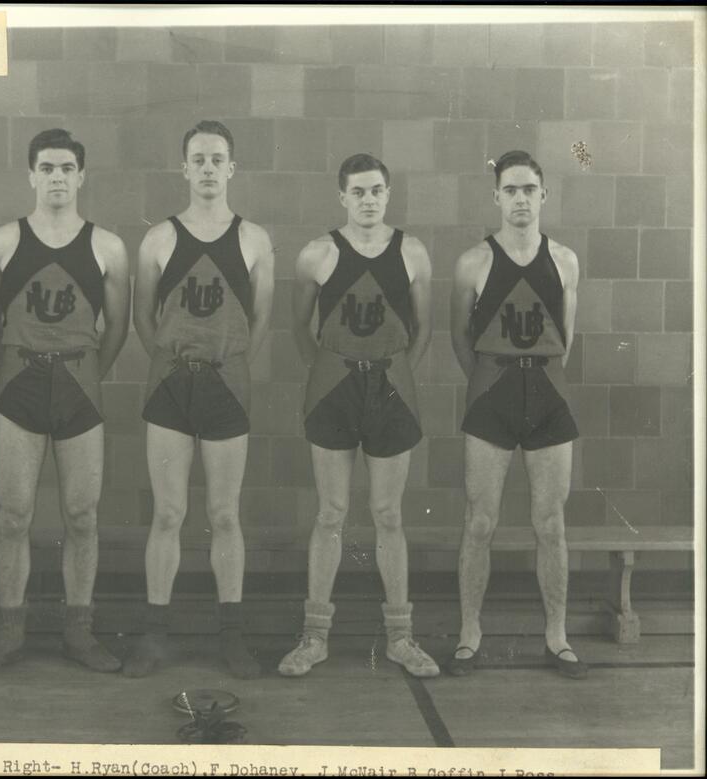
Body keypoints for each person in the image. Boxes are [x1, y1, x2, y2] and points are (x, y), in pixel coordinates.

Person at [0, 129, 130, 676]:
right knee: (14, 515)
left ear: (81, 176)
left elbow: (118, 328)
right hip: (21, 388)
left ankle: (78, 633)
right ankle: (9, 633)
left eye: (67, 168)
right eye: (47, 168)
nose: (57, 177)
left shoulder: (107, 246)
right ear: (31, 175)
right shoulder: (0, 243)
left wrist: (82, 373)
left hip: (81, 387)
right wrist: (19, 367)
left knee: (82, 515)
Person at [278, 153, 438, 678]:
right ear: (342, 197)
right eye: (358, 192)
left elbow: (422, 330)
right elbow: (300, 328)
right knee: (331, 513)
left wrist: (391, 374)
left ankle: (400, 636)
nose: (368, 200)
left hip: (391, 387)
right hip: (334, 387)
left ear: (388, 194)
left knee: (389, 515)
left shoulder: (412, 251)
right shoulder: (318, 253)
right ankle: (315, 635)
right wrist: (332, 370)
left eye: (376, 191)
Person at [124, 120, 274, 679]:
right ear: (183, 168)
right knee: (168, 512)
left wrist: (225, 364)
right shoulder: (158, 238)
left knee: (223, 514)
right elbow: (143, 318)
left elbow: (260, 321)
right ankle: (154, 634)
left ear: (232, 168)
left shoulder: (254, 238)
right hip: (170, 386)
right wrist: (175, 361)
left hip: (227, 385)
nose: (208, 168)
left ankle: (231, 637)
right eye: (198, 159)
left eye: (217, 159)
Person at [449, 150, 584, 679]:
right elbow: (460, 337)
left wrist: (535, 374)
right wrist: (492, 382)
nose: (521, 199)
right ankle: (468, 635)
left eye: (530, 189)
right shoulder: (473, 262)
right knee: (479, 521)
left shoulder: (565, 260)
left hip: (548, 395)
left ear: (543, 195)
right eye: (510, 190)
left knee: (550, 523)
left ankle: (557, 637)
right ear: (496, 197)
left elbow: (566, 339)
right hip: (493, 395)